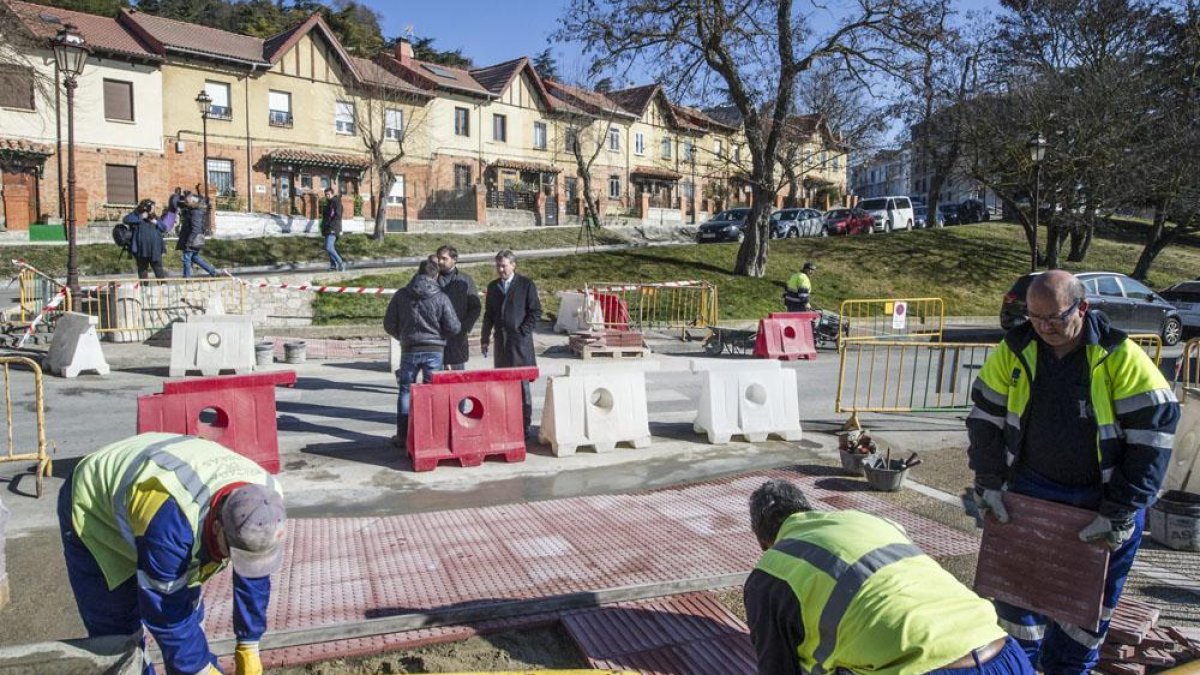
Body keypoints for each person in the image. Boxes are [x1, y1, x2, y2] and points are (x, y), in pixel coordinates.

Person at [967, 269, 1179, 675]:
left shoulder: (1120, 356)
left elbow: (1153, 440)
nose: (1044, 327)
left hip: (1099, 505)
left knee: (1083, 617)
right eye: (1034, 317)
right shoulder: (1014, 350)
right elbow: (984, 421)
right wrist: (989, 484)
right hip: (1029, 496)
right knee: (1015, 612)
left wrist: (1120, 510)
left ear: (1082, 307)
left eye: (1055, 318)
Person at [744, 479, 1034, 675]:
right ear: (807, 509)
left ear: (762, 541)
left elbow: (777, 668)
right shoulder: (865, 520)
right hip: (1005, 653)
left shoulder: (769, 573)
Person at [58, 432, 286, 675]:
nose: (231, 560)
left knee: (188, 610)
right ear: (218, 524)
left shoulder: (268, 500)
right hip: (94, 506)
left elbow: (254, 573)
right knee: (118, 637)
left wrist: (249, 643)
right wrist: (199, 669)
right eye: (231, 551)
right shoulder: (172, 524)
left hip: (156, 493)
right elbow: (167, 614)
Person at [383, 259, 461, 448]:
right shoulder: (440, 297)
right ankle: (430, 435)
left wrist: (403, 336)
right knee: (431, 392)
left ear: (417, 273)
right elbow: (454, 327)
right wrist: (440, 335)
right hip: (434, 350)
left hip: (409, 349)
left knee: (405, 391)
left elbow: (388, 323)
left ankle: (403, 435)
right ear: (436, 275)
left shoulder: (402, 295)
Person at [481, 250, 542, 438]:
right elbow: (489, 315)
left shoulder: (525, 284)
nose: (500, 269)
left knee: (522, 387)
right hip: (502, 345)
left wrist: (523, 331)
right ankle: (505, 422)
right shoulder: (493, 287)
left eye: (504, 265)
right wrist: (485, 338)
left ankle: (524, 425)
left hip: (520, 344)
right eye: (498, 266)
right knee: (502, 386)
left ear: (513, 265)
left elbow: (535, 311)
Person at [435, 245, 481, 371]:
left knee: (457, 381)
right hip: (436, 338)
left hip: (457, 339)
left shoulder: (465, 280)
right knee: (436, 382)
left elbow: (475, 307)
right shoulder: (432, 279)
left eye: (444, 258)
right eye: (439, 258)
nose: (440, 262)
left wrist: (464, 327)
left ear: (454, 259)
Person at [177, 192, 219, 278]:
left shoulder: (196, 213)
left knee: (186, 258)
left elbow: (196, 229)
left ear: (193, 202)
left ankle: (186, 278)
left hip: (192, 239)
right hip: (193, 239)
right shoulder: (193, 211)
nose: (186, 202)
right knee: (195, 258)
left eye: (187, 201)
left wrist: (189, 242)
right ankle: (213, 272)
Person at [126, 198, 168, 280]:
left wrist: (156, 222)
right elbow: (126, 219)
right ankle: (144, 289)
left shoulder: (155, 218)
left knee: (158, 269)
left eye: (153, 207)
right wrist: (140, 217)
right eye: (151, 207)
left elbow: (164, 228)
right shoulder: (137, 215)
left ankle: (162, 288)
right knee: (142, 269)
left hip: (154, 249)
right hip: (141, 249)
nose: (153, 209)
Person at [320, 187, 346, 272]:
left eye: (328, 194)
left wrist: (331, 224)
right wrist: (323, 227)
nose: (327, 196)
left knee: (329, 247)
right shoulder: (328, 204)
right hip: (327, 228)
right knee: (329, 247)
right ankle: (333, 266)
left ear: (332, 194)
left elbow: (337, 215)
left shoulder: (336, 202)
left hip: (333, 228)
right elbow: (325, 217)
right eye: (326, 194)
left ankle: (341, 263)